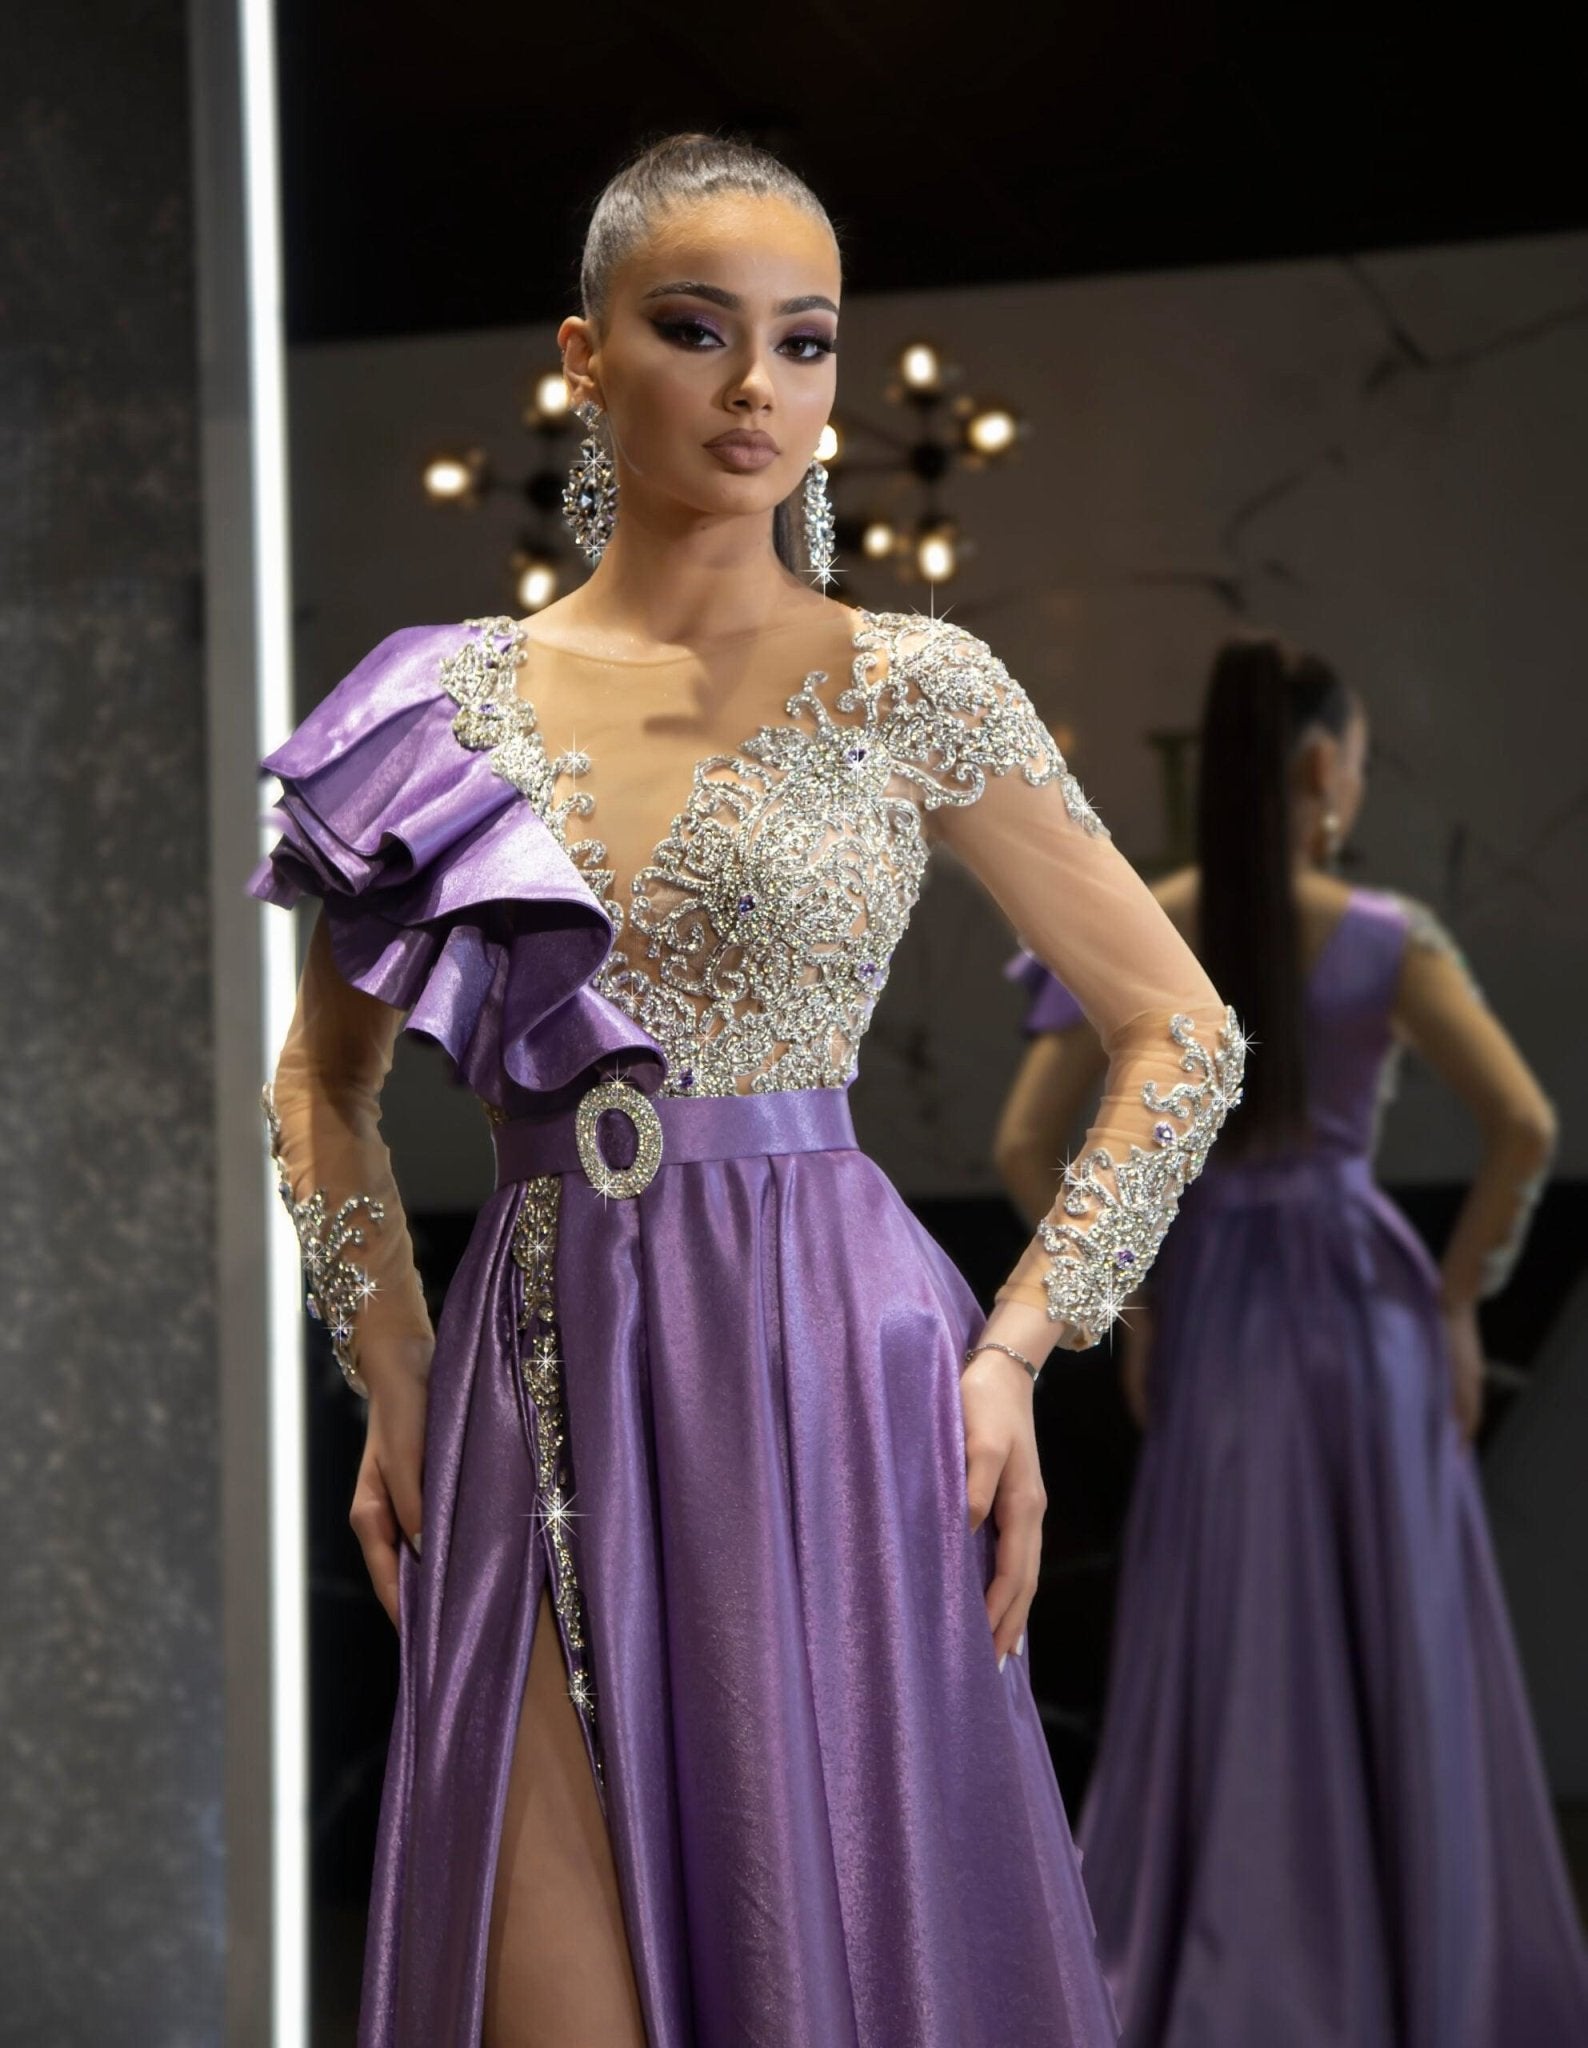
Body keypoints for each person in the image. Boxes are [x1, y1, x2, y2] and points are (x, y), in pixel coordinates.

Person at [255, 134, 1244, 2048]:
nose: (757, 388)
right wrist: (395, 1371)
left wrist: (1017, 1351)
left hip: (833, 1370)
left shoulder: (915, 685)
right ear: (585, 356)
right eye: (697, 329)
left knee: (825, 1935)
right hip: (538, 1374)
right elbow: (323, 1087)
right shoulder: (438, 708)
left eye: (805, 343)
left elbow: (1182, 1033)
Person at [996, 634, 1588, 2046]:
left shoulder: (1153, 919)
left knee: (1230, 1628)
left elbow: (1024, 1144)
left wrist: (1130, 1295)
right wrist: (1459, 1299)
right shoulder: (1384, 937)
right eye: (1360, 764)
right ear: (1323, 769)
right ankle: (1413, 1968)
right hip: (1365, 1309)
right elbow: (1524, 1127)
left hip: (1216, 1306)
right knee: (1397, 1631)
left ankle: (1234, 1970)